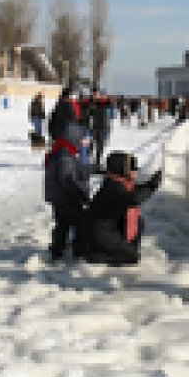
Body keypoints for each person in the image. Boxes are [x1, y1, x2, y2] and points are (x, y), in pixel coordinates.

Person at [86, 152, 161, 266]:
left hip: (109, 229)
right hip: (102, 233)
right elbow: (134, 199)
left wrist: (149, 184)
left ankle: (123, 248)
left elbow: (135, 191)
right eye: (132, 168)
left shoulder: (118, 182)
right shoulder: (114, 187)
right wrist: (151, 186)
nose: (136, 171)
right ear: (122, 169)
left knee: (139, 221)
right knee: (132, 257)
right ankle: (96, 256)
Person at [44, 121, 94, 261]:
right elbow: (66, 179)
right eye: (84, 139)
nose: (86, 142)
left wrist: (97, 168)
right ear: (75, 137)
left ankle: (59, 249)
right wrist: (80, 194)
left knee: (64, 223)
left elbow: (79, 170)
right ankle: (73, 251)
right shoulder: (65, 155)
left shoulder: (68, 150)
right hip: (65, 197)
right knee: (74, 223)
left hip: (63, 196)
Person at [89, 89, 111, 168]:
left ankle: (97, 161)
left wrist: (105, 97)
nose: (96, 96)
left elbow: (109, 103)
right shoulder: (92, 103)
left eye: (98, 95)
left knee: (100, 145)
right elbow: (89, 112)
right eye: (95, 95)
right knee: (91, 144)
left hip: (102, 126)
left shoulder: (104, 103)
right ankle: (89, 160)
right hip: (93, 126)